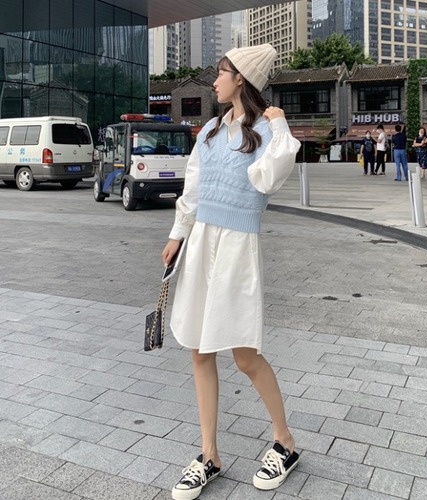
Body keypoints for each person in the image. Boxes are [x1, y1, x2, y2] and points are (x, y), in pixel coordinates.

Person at [162, 44, 301, 500]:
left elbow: (272, 176)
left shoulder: (264, 131)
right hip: (202, 242)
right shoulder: (209, 131)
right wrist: (178, 235)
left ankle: (285, 442)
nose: (215, 81)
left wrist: (279, 124)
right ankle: (209, 455)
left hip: (238, 247)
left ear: (241, 78)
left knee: (244, 355)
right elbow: (193, 188)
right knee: (200, 351)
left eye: (221, 73)